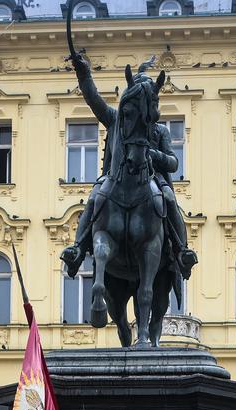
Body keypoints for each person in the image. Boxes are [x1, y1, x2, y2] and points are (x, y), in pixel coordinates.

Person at [60, 52, 197, 282]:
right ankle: (77, 248)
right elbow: (94, 100)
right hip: (116, 178)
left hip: (151, 180)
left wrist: (154, 155)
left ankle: (182, 250)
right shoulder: (116, 120)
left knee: (169, 198)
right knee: (95, 196)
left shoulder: (159, 131)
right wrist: (83, 74)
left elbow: (173, 163)